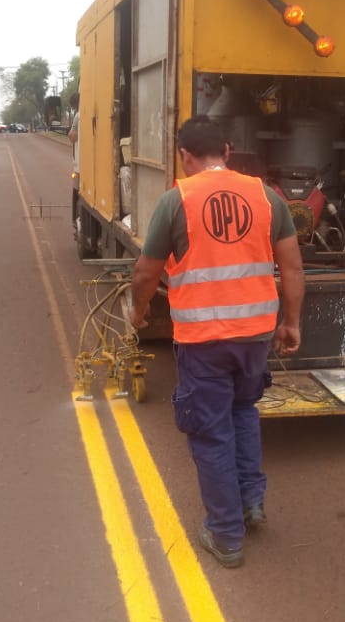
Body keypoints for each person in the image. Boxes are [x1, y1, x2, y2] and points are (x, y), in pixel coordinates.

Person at [130, 115, 305, 568]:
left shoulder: (176, 200)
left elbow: (147, 272)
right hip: (255, 336)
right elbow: (292, 268)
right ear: (227, 151)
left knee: (209, 432)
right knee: (243, 412)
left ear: (184, 156)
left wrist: (140, 309)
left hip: (204, 339)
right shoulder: (267, 197)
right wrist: (292, 322)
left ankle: (225, 535)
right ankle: (250, 503)